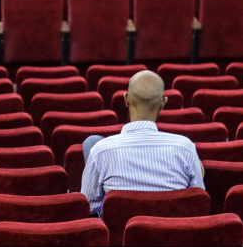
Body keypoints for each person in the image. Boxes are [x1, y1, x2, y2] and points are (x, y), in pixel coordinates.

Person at [81, 70, 205, 214]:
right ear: (163, 103)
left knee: (92, 142)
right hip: (171, 232)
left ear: (126, 99)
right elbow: (198, 201)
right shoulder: (185, 147)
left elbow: (88, 206)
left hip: (119, 235)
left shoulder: (100, 150)